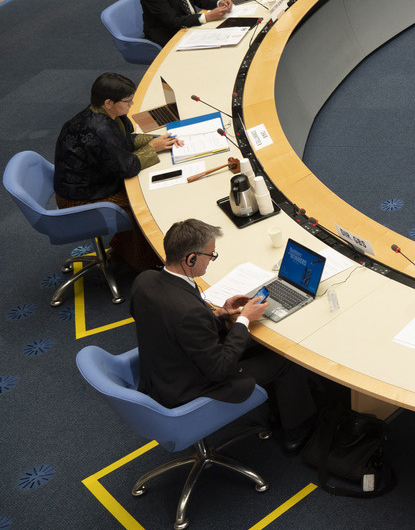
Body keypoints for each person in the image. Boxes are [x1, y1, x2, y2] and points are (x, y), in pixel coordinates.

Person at [130, 218, 318, 447]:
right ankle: (295, 434)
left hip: (162, 372)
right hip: (189, 388)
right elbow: (219, 369)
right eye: (211, 255)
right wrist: (243, 320)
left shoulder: (144, 279)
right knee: (286, 359)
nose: (211, 261)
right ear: (190, 258)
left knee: (252, 342)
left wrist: (220, 313)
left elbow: (164, 319)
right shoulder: (188, 313)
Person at [53, 72, 178, 271]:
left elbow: (123, 141)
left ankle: (124, 249)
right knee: (143, 208)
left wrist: (160, 140)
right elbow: (127, 167)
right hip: (80, 197)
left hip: (87, 182)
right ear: (109, 102)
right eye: (128, 101)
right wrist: (153, 147)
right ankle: (142, 263)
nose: (131, 105)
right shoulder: (99, 129)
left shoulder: (102, 115)